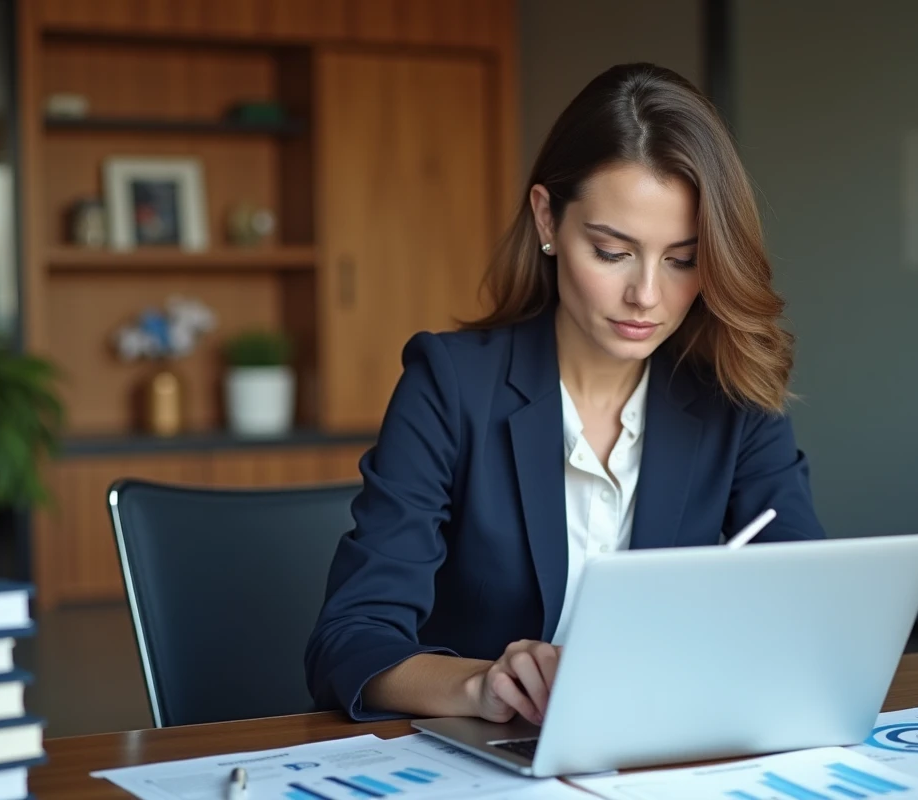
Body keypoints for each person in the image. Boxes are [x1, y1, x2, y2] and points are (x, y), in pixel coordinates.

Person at [304, 62, 826, 727]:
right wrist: (483, 686)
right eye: (613, 252)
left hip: (660, 751)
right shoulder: (450, 385)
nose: (647, 295)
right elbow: (349, 641)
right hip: (485, 762)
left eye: (682, 259)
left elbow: (809, 611)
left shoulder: (732, 391)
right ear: (548, 218)